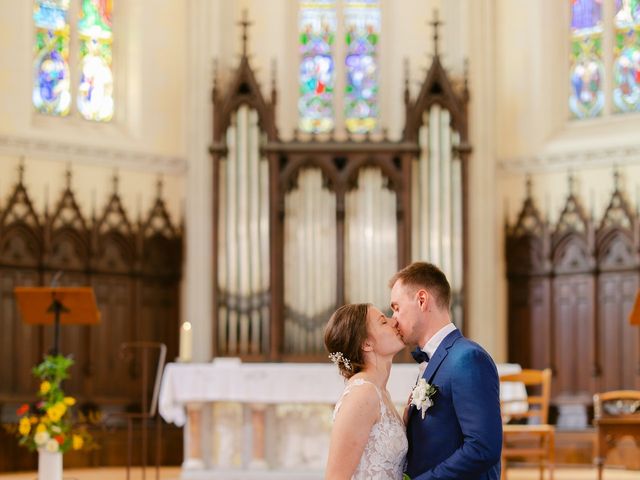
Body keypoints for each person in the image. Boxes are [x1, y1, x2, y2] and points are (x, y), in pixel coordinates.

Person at [389, 262, 502, 480]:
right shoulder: (433, 359)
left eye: (396, 308)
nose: (394, 319)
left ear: (422, 300)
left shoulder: (467, 358)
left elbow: (482, 448)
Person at [324, 303, 408, 480]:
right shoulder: (363, 394)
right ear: (366, 343)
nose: (395, 322)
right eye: (383, 322)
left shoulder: (380, 392)